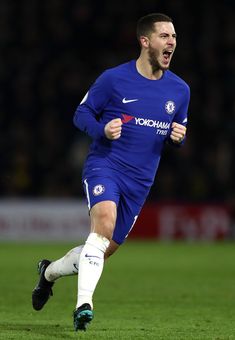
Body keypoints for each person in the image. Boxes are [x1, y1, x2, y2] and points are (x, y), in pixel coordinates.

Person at [32, 12, 190, 332]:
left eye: (174, 36)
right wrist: (102, 130)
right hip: (106, 166)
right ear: (145, 41)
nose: (172, 41)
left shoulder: (180, 90)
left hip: (140, 182)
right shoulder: (114, 79)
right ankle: (84, 306)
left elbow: (179, 129)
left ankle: (48, 273)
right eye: (165, 35)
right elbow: (81, 114)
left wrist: (179, 138)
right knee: (101, 227)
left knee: (99, 251)